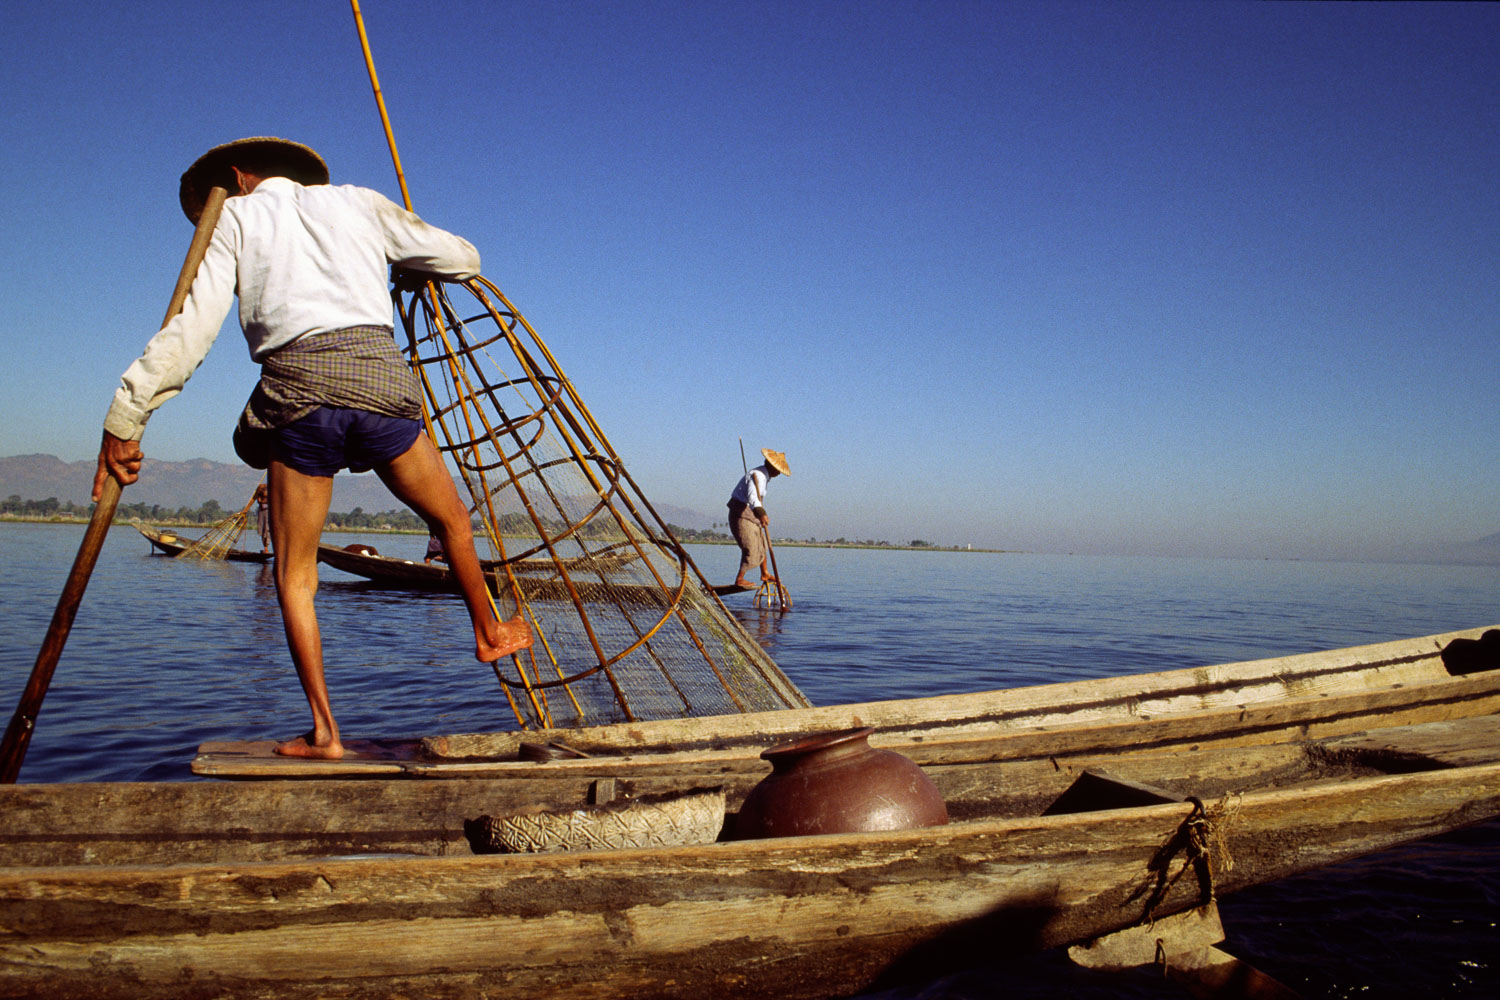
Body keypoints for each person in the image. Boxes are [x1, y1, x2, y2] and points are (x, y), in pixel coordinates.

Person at [92, 136, 533, 761]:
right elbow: (464, 257)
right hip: (383, 382)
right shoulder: (359, 203)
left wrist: (126, 416)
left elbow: (191, 332)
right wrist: (408, 263)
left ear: (240, 178)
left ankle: (326, 733)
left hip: (301, 395)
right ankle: (488, 630)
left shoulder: (236, 218)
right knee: (453, 521)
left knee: (294, 575)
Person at [727, 448, 790, 589]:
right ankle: (740, 579)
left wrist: (759, 513)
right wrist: (761, 513)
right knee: (751, 546)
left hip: (749, 512)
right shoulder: (759, 475)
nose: (779, 473)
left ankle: (765, 573)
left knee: (762, 544)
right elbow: (753, 497)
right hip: (741, 512)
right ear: (772, 467)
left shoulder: (764, 476)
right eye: (778, 470)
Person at [253, 483, 270, 553]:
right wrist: (260, 500)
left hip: (267, 511)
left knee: (267, 528)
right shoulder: (260, 492)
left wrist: (262, 501)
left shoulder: (270, 493)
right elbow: (258, 501)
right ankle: (265, 547)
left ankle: (266, 547)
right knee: (262, 528)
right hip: (261, 511)